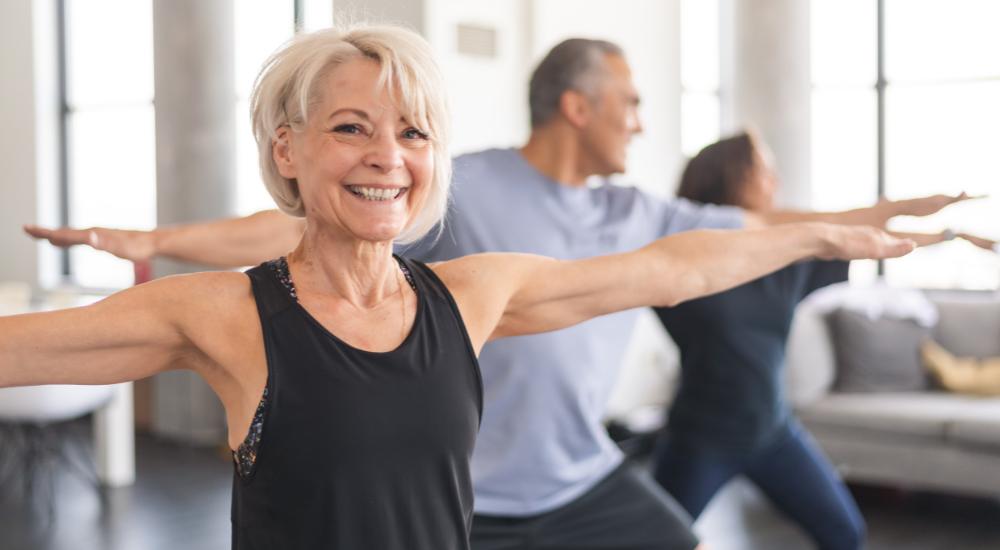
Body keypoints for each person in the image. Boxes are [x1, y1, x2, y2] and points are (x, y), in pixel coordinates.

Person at [23, 38, 974, 550]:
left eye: (412, 134)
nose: (387, 158)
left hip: (573, 484)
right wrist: (154, 242)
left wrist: (823, 235)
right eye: (351, 127)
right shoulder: (228, 312)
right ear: (289, 150)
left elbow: (671, 266)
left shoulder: (471, 293)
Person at [650, 131, 990, 550]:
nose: (774, 181)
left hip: (774, 434)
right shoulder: (680, 263)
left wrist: (949, 235)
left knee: (845, 533)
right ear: (729, 177)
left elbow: (860, 237)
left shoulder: (785, 258)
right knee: (656, 540)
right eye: (762, 170)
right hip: (701, 439)